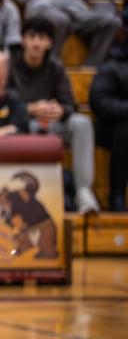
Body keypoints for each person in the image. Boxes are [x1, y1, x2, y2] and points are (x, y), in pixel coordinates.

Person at [10, 16, 100, 214]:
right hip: (23, 125)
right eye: (32, 37)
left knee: (82, 123)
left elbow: (69, 103)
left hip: (51, 123)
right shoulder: (10, 66)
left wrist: (60, 110)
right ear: (23, 39)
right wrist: (29, 109)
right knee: (31, 128)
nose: (36, 43)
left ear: (49, 43)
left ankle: (83, 191)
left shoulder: (56, 67)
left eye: (42, 38)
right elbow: (3, 104)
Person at [11, 0, 119, 65]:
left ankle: (90, 70)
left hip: (74, 6)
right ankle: (49, 67)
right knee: (61, 20)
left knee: (111, 22)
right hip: (44, 4)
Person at [88, 20, 128, 211]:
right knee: (124, 130)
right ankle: (117, 195)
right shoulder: (112, 67)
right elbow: (98, 100)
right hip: (111, 129)